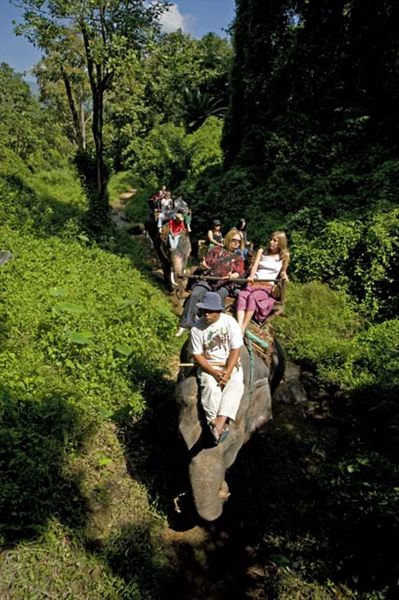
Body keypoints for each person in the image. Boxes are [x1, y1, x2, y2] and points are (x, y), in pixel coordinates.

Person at [190, 291, 244, 444]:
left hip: (229, 364)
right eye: (204, 310)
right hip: (209, 365)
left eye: (210, 310)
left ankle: (220, 422)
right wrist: (213, 372)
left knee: (236, 385)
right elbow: (197, 354)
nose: (206, 313)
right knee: (210, 387)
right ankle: (212, 421)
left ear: (218, 311)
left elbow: (235, 349)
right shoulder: (196, 328)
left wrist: (227, 372)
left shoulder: (230, 323)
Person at [176, 228, 245, 336]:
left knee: (216, 298)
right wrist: (203, 266)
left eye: (239, 241)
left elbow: (239, 272)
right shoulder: (215, 250)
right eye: (234, 240)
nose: (237, 242)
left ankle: (213, 327)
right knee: (195, 294)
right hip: (208, 279)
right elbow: (205, 264)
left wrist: (233, 275)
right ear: (228, 239)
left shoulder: (239, 258)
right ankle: (184, 324)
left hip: (224, 284)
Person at [236, 231, 290, 332]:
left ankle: (243, 328)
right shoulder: (262, 251)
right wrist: (251, 276)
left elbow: (283, 272)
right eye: (271, 239)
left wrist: (284, 276)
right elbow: (255, 266)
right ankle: (239, 325)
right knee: (242, 295)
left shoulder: (284, 256)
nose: (271, 242)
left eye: (275, 241)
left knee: (252, 297)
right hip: (254, 281)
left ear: (281, 243)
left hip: (267, 285)